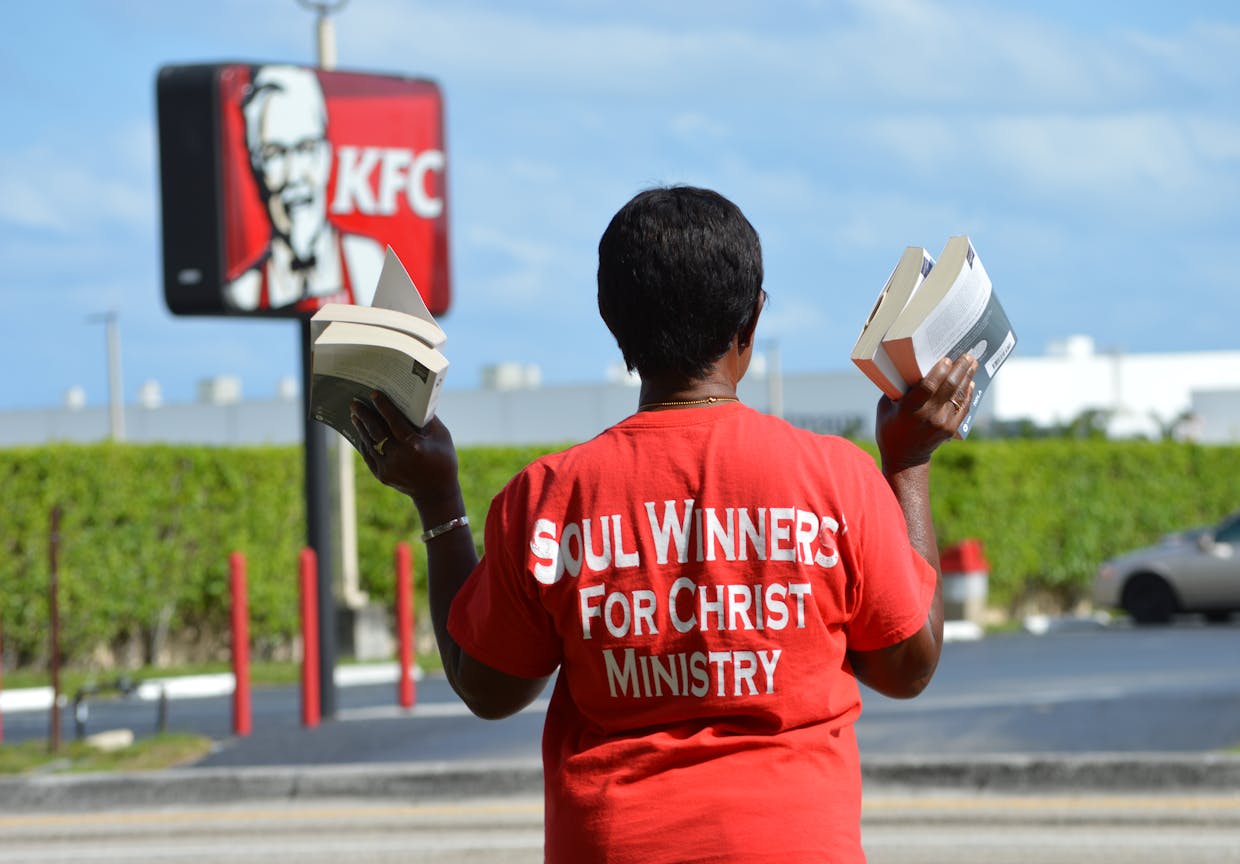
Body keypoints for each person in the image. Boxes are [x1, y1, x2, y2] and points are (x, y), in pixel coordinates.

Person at [350, 185, 977, 863]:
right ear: (752, 320)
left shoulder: (549, 497)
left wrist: (439, 498)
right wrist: (908, 464)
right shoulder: (838, 479)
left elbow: (488, 685)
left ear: (611, 320)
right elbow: (908, 665)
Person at [225, 65, 384, 312]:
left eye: (306, 148)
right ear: (255, 167)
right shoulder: (244, 293)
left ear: (327, 155)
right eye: (275, 153)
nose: (294, 174)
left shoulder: (368, 266)